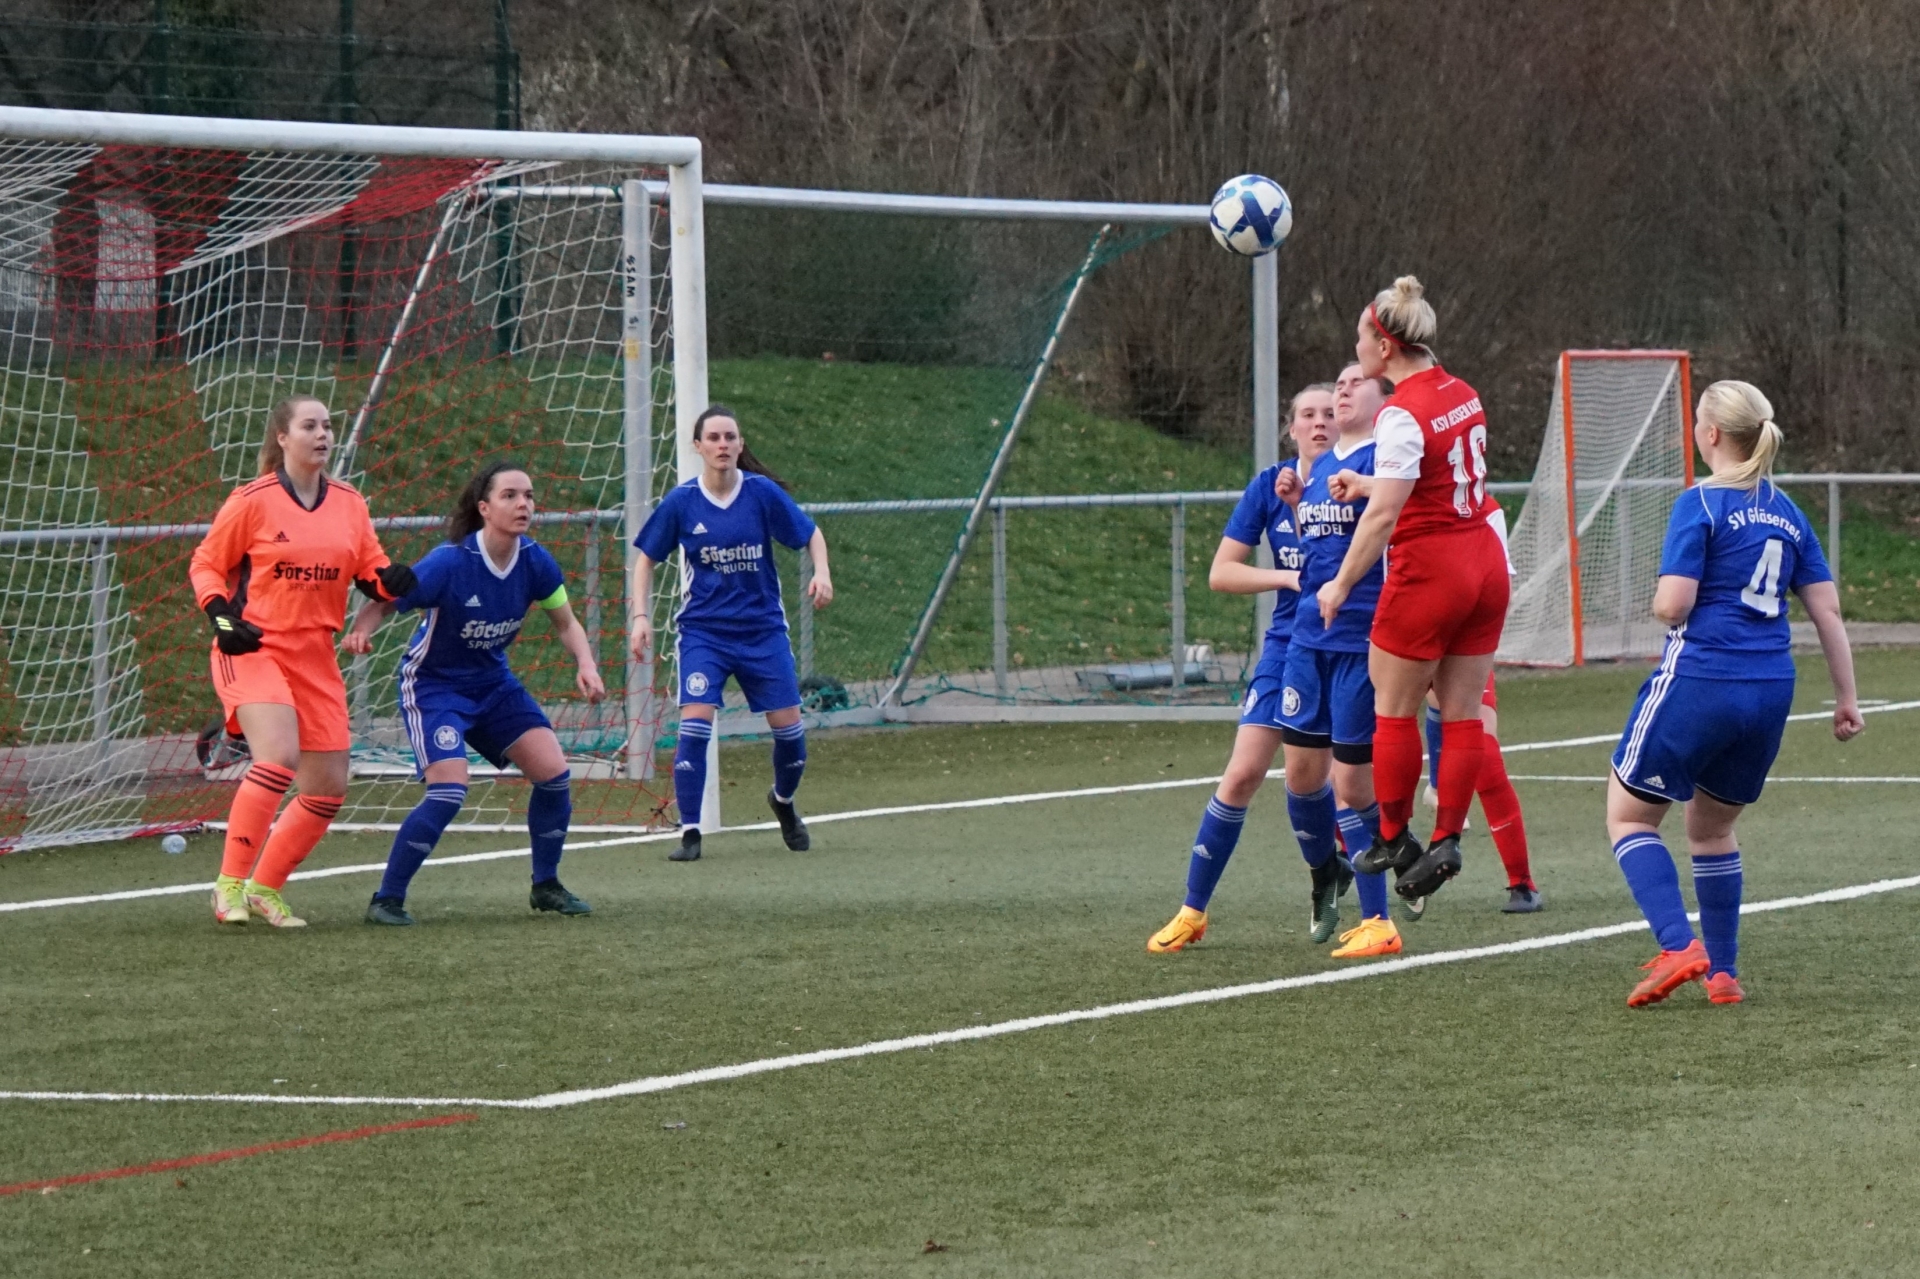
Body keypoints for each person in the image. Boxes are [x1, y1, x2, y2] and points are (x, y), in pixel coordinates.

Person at [1606, 381, 1860, 1007]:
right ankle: (1722, 973)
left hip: (1703, 677)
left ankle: (1677, 945)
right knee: (1713, 831)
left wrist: (1657, 601)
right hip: (1771, 687)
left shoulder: (1701, 502)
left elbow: (1674, 604)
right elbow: (1827, 612)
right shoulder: (1788, 511)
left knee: (1629, 816)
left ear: (1712, 433)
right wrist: (1846, 699)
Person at [345, 461, 608, 925]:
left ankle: (546, 885)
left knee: (554, 774)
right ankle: (386, 899)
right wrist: (361, 629)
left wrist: (585, 664)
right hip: (434, 688)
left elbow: (565, 622)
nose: (524, 504)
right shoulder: (450, 562)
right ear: (484, 508)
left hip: (493, 685)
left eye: (529, 495)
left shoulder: (535, 561)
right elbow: (386, 600)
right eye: (510, 495)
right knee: (449, 791)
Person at [188, 396, 413, 928]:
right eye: (309, 425)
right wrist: (220, 617)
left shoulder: (350, 502)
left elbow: (371, 568)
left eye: (328, 426)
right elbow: (206, 564)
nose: (322, 434)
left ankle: (264, 889)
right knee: (278, 757)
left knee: (328, 786)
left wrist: (390, 581)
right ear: (283, 438)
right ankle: (228, 886)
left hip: (315, 653)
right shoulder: (252, 500)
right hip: (254, 647)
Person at [1319, 276, 1508, 904]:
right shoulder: (1462, 391)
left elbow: (1386, 516)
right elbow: (1435, 480)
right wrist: (1367, 483)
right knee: (1462, 714)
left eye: (1361, 339)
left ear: (1384, 346)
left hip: (1432, 569)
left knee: (1393, 708)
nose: (1357, 350)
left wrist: (1341, 583)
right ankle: (1448, 838)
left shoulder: (1401, 412)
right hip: (1484, 561)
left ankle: (1394, 838)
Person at [1146, 384, 1327, 954]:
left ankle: (1339, 886)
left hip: (1342, 647)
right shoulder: (1270, 485)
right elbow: (1221, 572)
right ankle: (1192, 910)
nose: (1319, 422)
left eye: (1329, 413)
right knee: (1243, 772)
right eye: (1307, 414)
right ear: (1291, 428)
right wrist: (1286, 577)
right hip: (1285, 647)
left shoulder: (1358, 484)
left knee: (1323, 783)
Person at [629, 405, 832, 862]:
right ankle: (691, 832)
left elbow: (811, 534)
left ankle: (782, 801)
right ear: (698, 446)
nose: (722, 445)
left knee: (791, 735)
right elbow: (645, 560)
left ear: (740, 445)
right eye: (714, 438)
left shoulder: (760, 493)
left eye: (730, 437)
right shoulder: (683, 501)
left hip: (763, 632)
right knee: (694, 726)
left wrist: (822, 572)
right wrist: (641, 617)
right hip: (704, 634)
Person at [1276, 363, 1401, 958]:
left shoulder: (1385, 461)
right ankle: (1328, 871)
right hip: (1308, 640)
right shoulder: (1324, 466)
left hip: (1359, 642)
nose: (1343, 389)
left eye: (1356, 382)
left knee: (1352, 784)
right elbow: (1319, 548)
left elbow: (1394, 523)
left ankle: (1379, 918)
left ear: (1384, 398)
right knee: (1302, 777)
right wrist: (1298, 506)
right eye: (1339, 383)